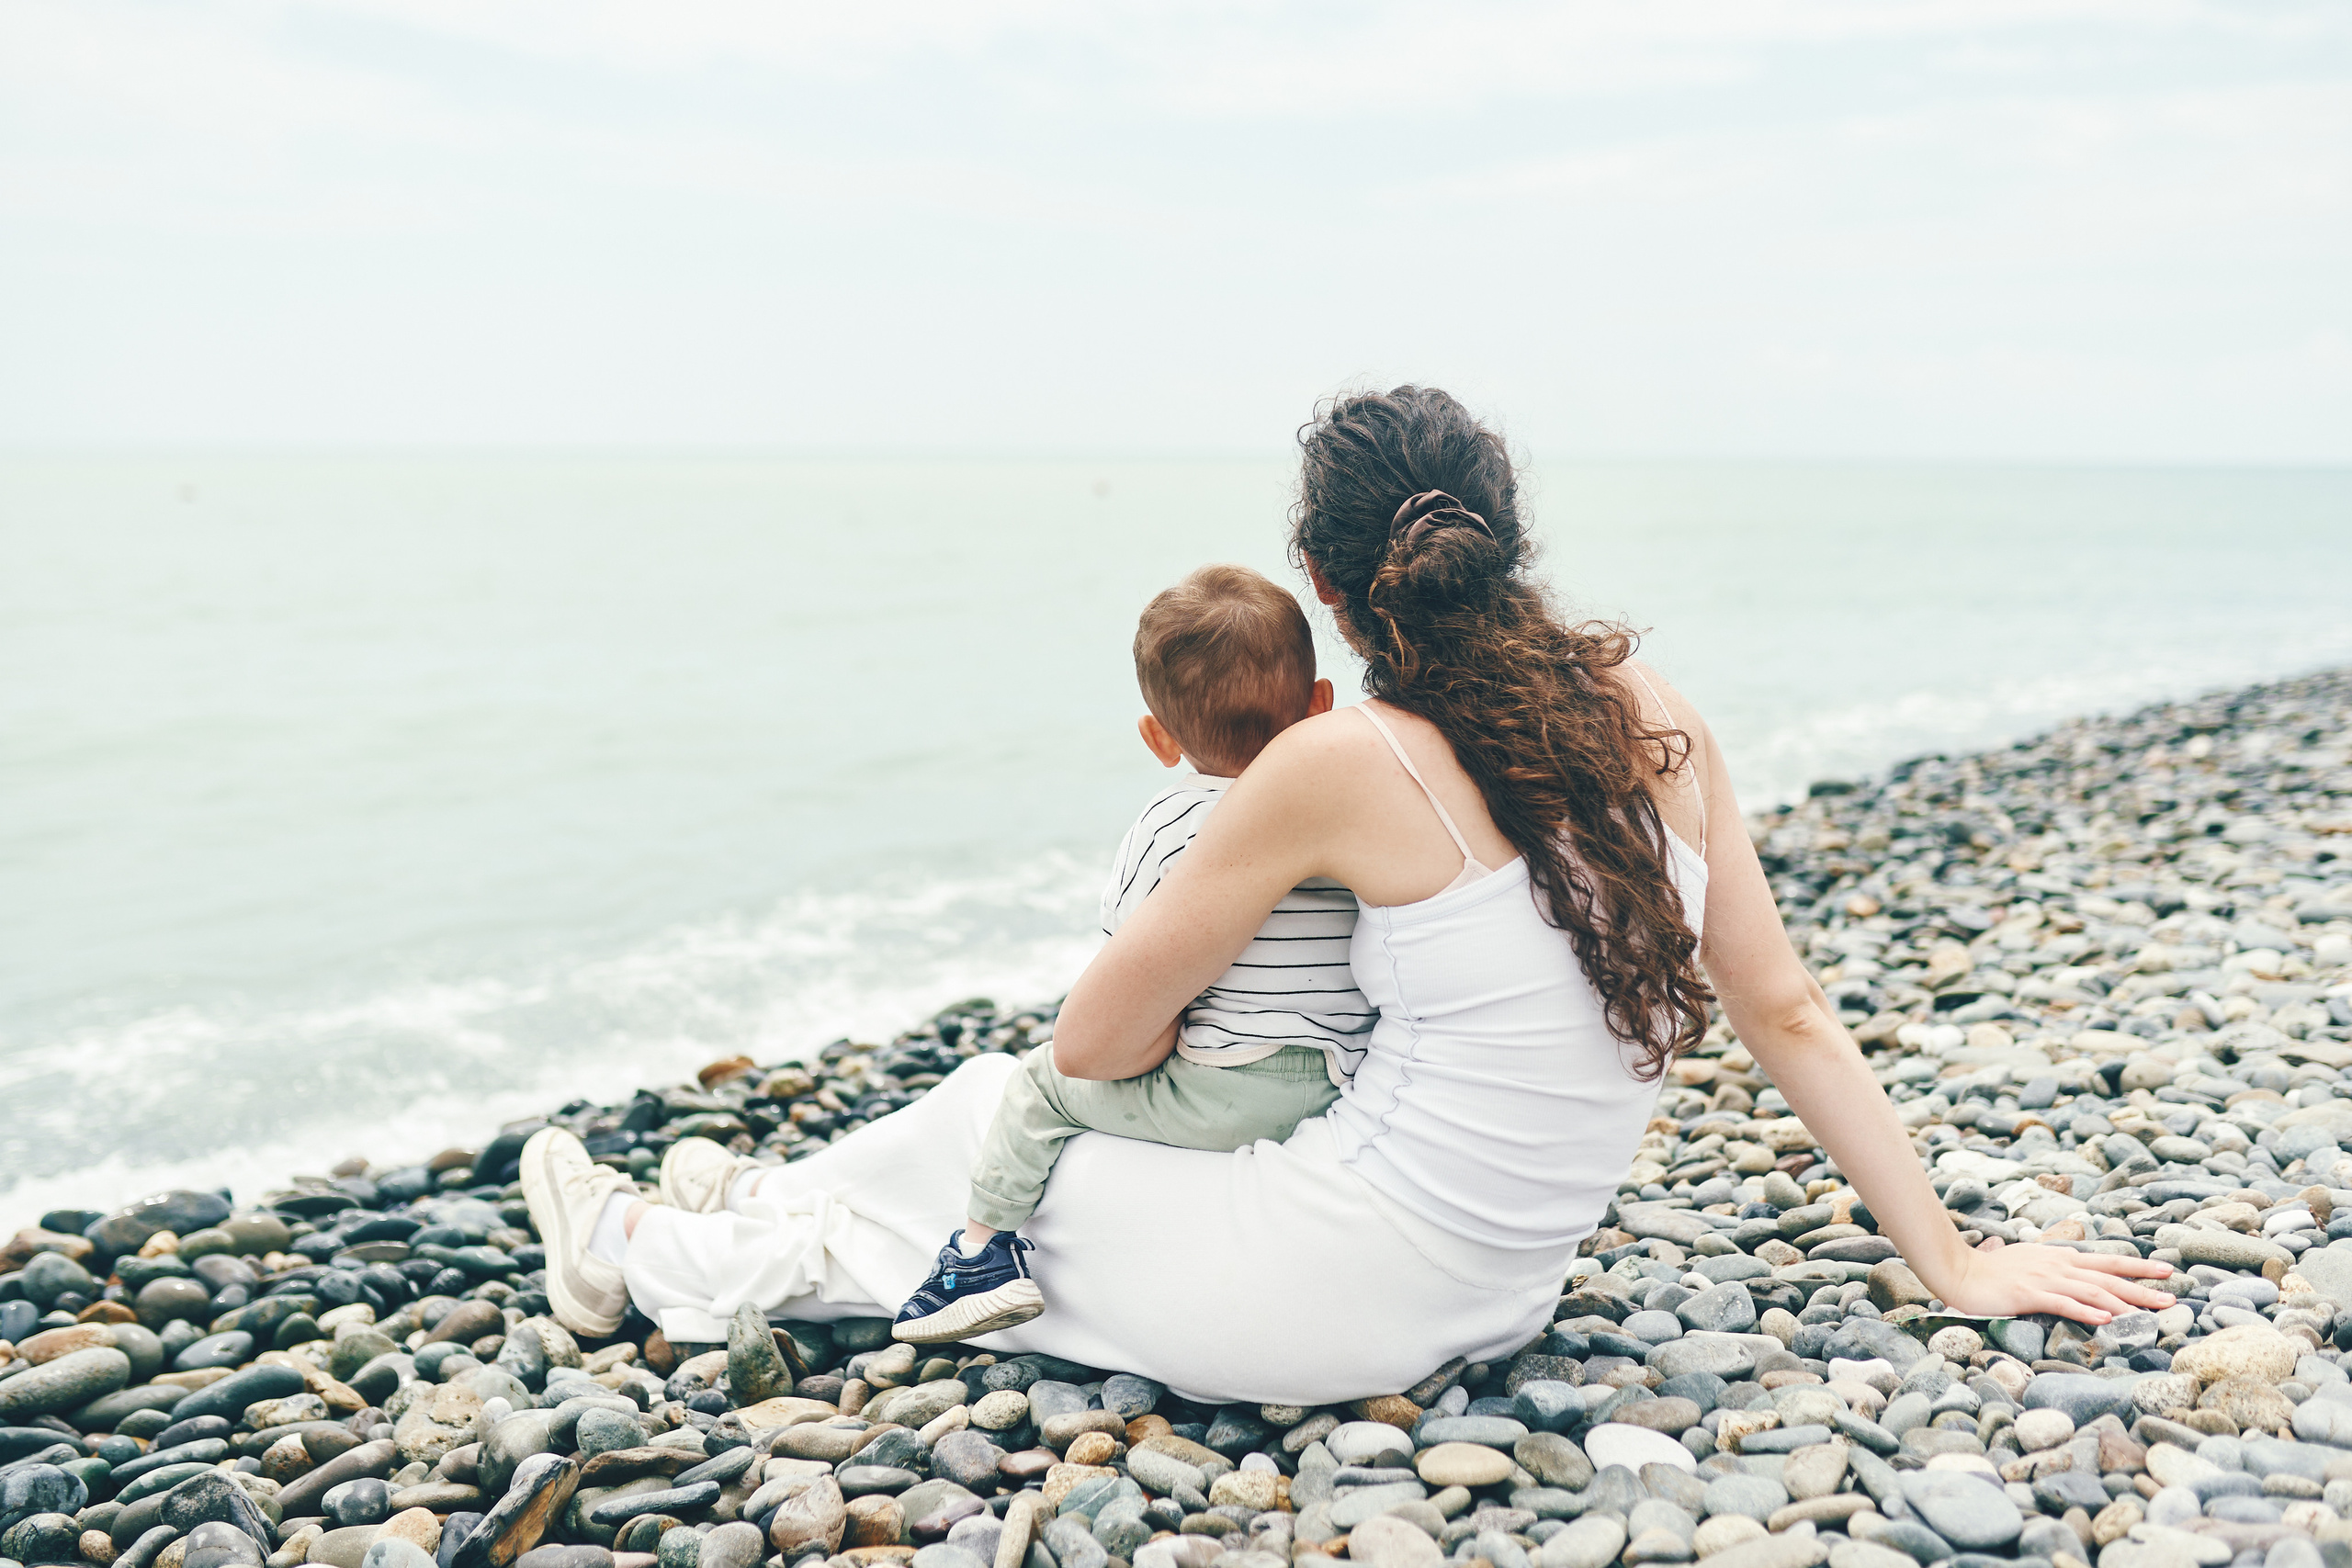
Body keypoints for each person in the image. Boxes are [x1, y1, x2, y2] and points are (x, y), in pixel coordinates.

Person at [521, 386, 2173, 1403]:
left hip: (1324, 1293)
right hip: (1500, 1288)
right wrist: (1950, 1259)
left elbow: (1098, 1038)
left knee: (986, 1119)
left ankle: (640, 1250)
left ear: (1323, 580)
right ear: (1509, 540)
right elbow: (1789, 1010)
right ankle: (739, 1207)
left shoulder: (1342, 759)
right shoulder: (1662, 718)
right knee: (977, 1145)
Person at [889, 563, 1375, 1345]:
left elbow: (1136, 979)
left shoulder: (1169, 824)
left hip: (1228, 1088)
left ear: (1158, 735)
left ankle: (979, 1252)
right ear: (1320, 705)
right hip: (1339, 1076)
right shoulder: (1348, 807)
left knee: (1041, 1081)